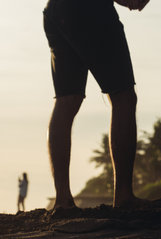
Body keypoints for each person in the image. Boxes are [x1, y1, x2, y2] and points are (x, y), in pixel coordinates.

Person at [43, 0, 150, 210]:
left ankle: (62, 199)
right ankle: (124, 196)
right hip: (91, 10)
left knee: (67, 100)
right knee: (123, 97)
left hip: (55, 10)